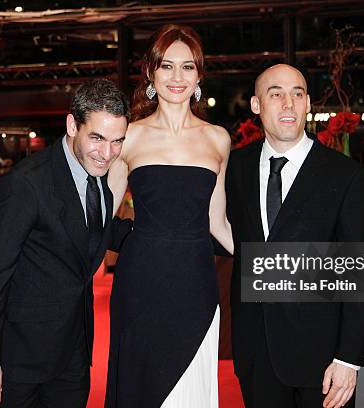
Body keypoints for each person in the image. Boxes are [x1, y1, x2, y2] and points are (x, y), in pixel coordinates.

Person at [0, 79, 132, 408]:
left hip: (73, 355)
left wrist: (173, 235)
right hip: (20, 360)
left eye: (117, 142)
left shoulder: (98, 180)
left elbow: (94, 233)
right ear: (73, 125)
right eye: (97, 138)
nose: (107, 153)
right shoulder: (26, 183)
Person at [225, 64, 364, 408]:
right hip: (256, 354)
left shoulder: (346, 176)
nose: (288, 104)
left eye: (298, 94)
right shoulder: (236, 169)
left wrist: (349, 358)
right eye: (276, 94)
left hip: (323, 361)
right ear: (257, 105)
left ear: (308, 104)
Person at [105, 24, 233, 408]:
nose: (177, 77)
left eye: (188, 67)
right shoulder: (130, 136)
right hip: (140, 284)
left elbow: (218, 223)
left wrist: (270, 261)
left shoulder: (218, 138)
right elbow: (103, 217)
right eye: (167, 66)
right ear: (151, 73)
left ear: (198, 76)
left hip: (196, 285)